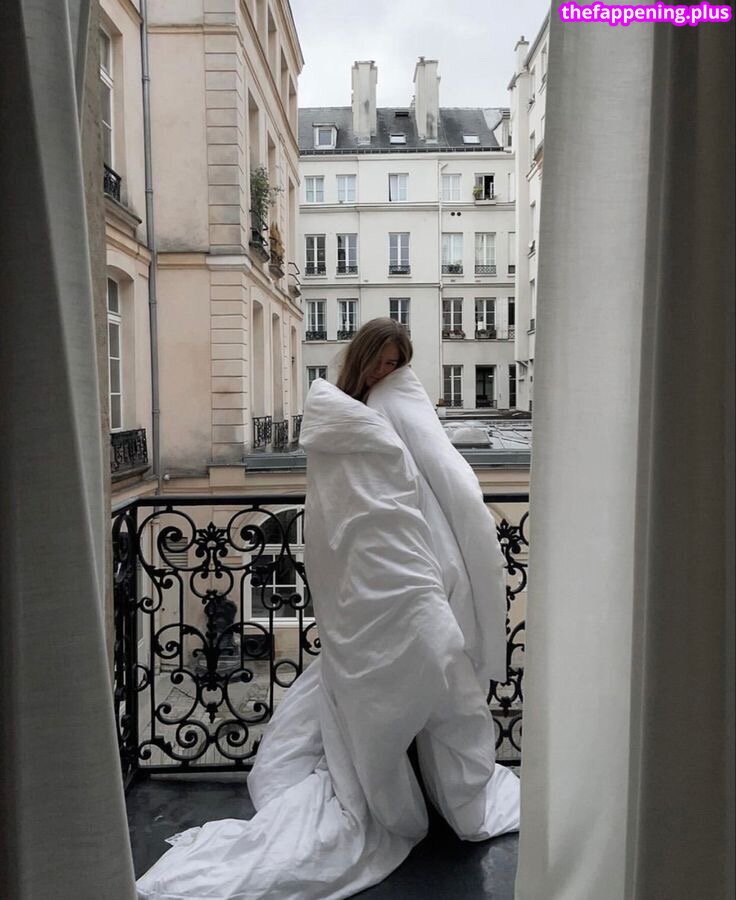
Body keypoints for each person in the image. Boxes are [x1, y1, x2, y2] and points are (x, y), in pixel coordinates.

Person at [136, 318, 519, 900]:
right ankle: (389, 796)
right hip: (372, 575)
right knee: (413, 667)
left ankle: (449, 793)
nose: (389, 372)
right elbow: (333, 511)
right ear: (362, 358)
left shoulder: (399, 402)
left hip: (409, 564)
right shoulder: (340, 416)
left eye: (398, 363)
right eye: (382, 361)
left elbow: (443, 476)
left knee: (439, 664)